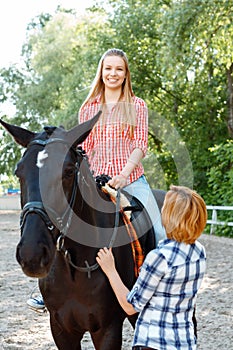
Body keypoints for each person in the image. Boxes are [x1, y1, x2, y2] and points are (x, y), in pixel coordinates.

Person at [27, 48, 165, 310]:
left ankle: (158, 287)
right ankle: (46, 288)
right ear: (101, 72)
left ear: (126, 75)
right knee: (60, 220)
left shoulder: (137, 105)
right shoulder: (88, 107)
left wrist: (124, 175)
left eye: (119, 69)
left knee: (157, 230)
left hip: (131, 179)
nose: (113, 74)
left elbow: (140, 145)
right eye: (108, 68)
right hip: (94, 179)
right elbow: (85, 149)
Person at [96, 185, 207, 350]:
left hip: (154, 343)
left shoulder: (159, 257)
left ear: (170, 216)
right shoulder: (199, 251)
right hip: (184, 342)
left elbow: (131, 306)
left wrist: (110, 270)